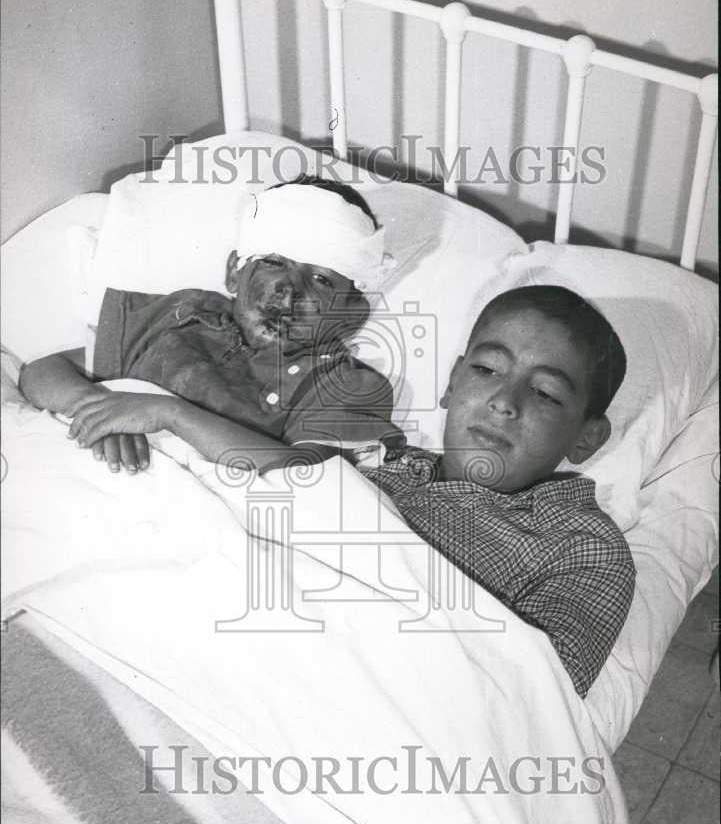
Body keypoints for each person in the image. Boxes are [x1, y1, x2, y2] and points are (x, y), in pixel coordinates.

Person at [19, 176, 405, 474]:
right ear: (235, 274)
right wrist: (105, 413)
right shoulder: (182, 314)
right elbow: (42, 371)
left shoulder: (344, 382)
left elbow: (303, 474)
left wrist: (168, 413)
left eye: (321, 280)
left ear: (350, 315)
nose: (288, 291)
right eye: (273, 262)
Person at [363, 285, 636, 699]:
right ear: (452, 383)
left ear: (587, 438)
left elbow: (536, 701)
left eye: (544, 393)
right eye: (487, 370)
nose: (505, 402)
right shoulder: (381, 463)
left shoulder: (584, 549)